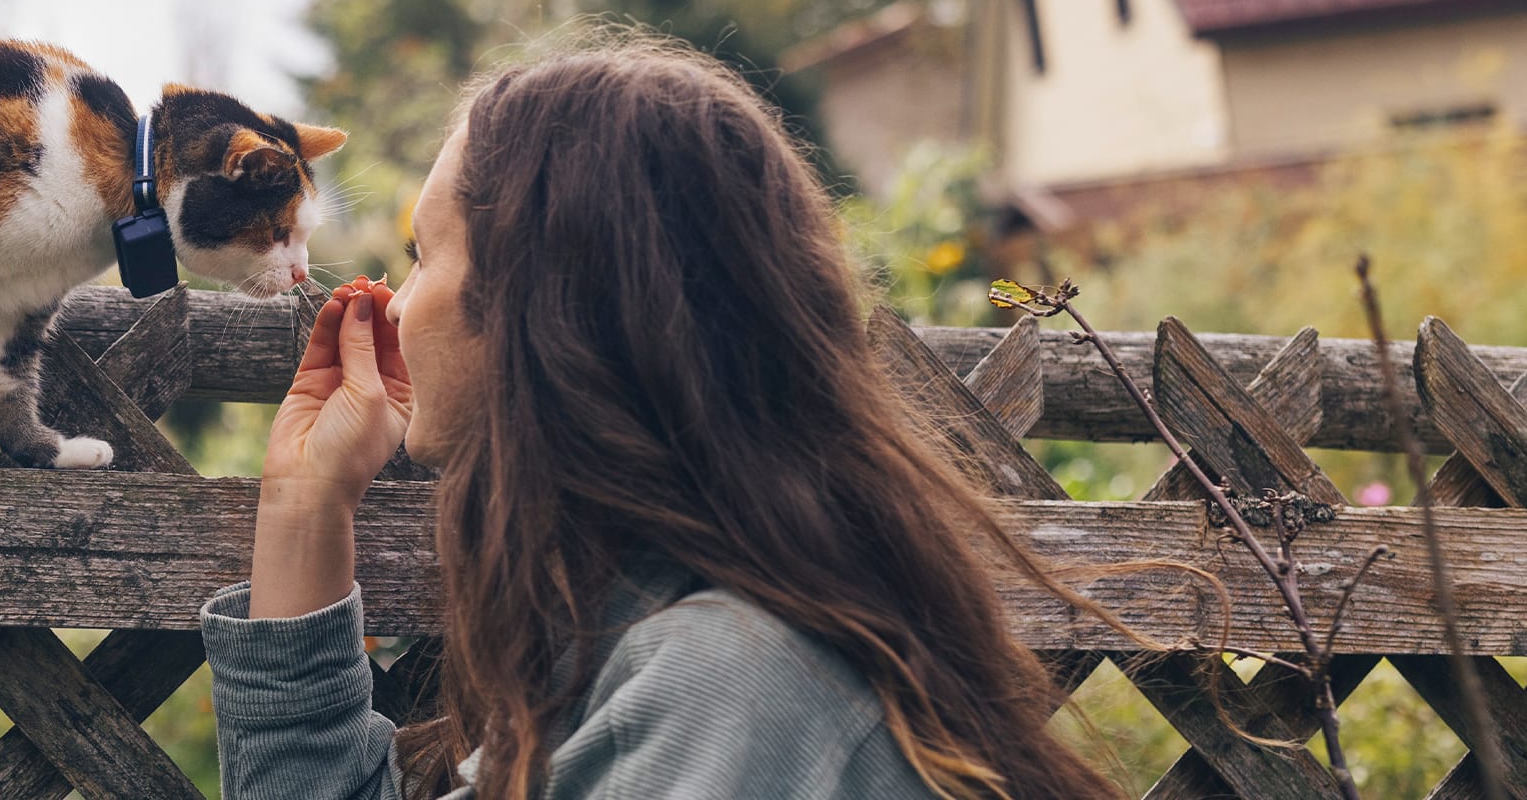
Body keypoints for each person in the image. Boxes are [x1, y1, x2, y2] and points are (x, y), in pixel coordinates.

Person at [201, 42, 1126, 799]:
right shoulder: (646, 633)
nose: (396, 307)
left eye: (421, 255)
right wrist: (305, 506)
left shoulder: (725, 685)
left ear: (547, 300)